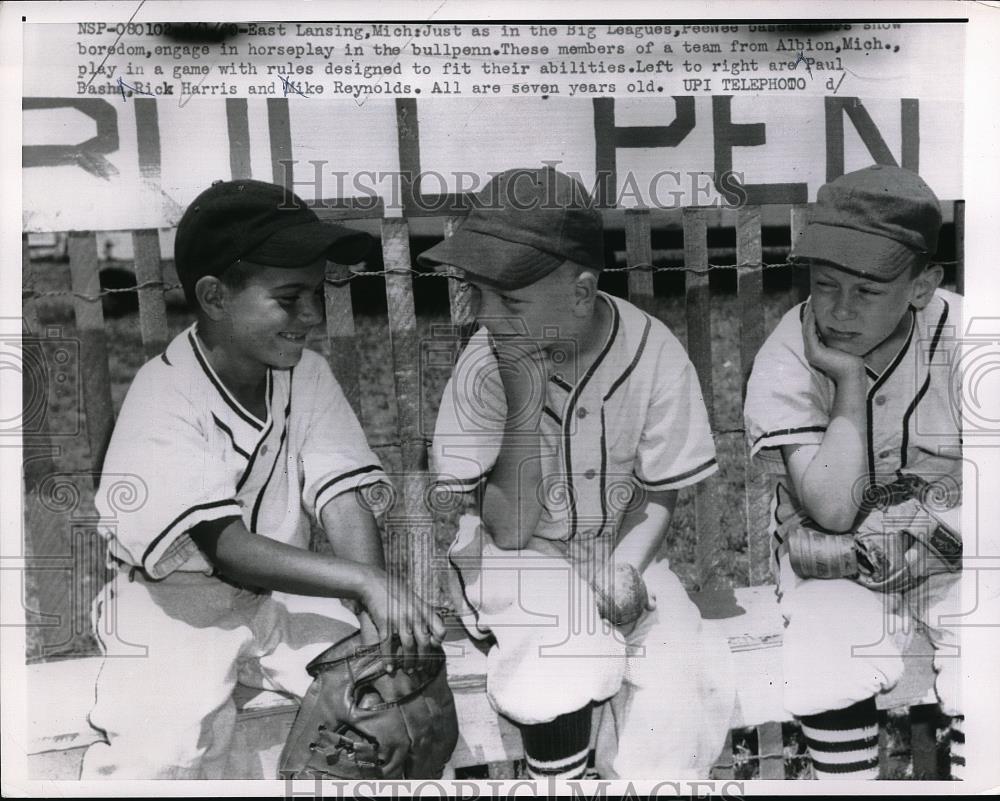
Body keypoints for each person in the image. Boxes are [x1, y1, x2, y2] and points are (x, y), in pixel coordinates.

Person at [81, 179, 445, 779]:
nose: (312, 314)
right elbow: (225, 548)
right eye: (289, 296)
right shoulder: (163, 393)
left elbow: (341, 496)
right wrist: (363, 579)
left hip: (277, 599)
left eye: (317, 292)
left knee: (389, 692)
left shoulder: (307, 373)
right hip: (168, 605)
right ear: (215, 297)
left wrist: (371, 606)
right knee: (160, 751)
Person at [418, 166, 735, 780]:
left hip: (622, 549)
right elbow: (508, 531)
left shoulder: (654, 349)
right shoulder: (485, 364)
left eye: (508, 299)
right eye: (480, 293)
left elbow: (661, 493)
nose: (487, 317)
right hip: (516, 555)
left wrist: (624, 567)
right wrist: (522, 400)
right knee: (557, 640)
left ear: (582, 293)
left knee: (679, 662)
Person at [744, 165, 964, 780]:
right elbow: (834, 510)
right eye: (825, 283)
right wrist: (843, 380)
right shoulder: (792, 350)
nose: (839, 310)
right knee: (828, 642)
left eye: (867, 291)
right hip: (834, 560)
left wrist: (943, 534)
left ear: (922, 286)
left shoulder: (974, 337)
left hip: (958, 554)